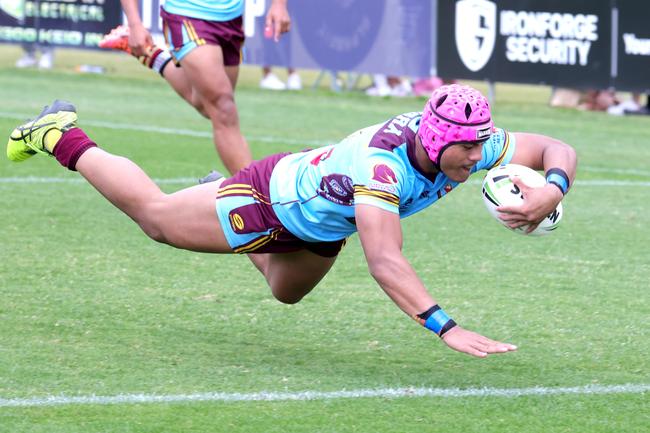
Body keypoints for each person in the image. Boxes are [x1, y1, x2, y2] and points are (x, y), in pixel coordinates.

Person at [6, 84, 577, 358]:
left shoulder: (470, 141)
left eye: (482, 148)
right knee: (156, 219)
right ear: (434, 139)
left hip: (321, 225)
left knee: (285, 292)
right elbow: (384, 259)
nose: (478, 161)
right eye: (467, 152)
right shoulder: (384, 165)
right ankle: (58, 132)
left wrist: (551, 191)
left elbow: (554, 146)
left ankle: (210, 192)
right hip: (269, 199)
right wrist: (444, 326)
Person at [99, 0, 291, 176]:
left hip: (231, 19)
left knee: (208, 106)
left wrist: (279, 5)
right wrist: (135, 24)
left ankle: (154, 56)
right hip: (186, 14)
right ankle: (255, 197)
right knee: (223, 107)